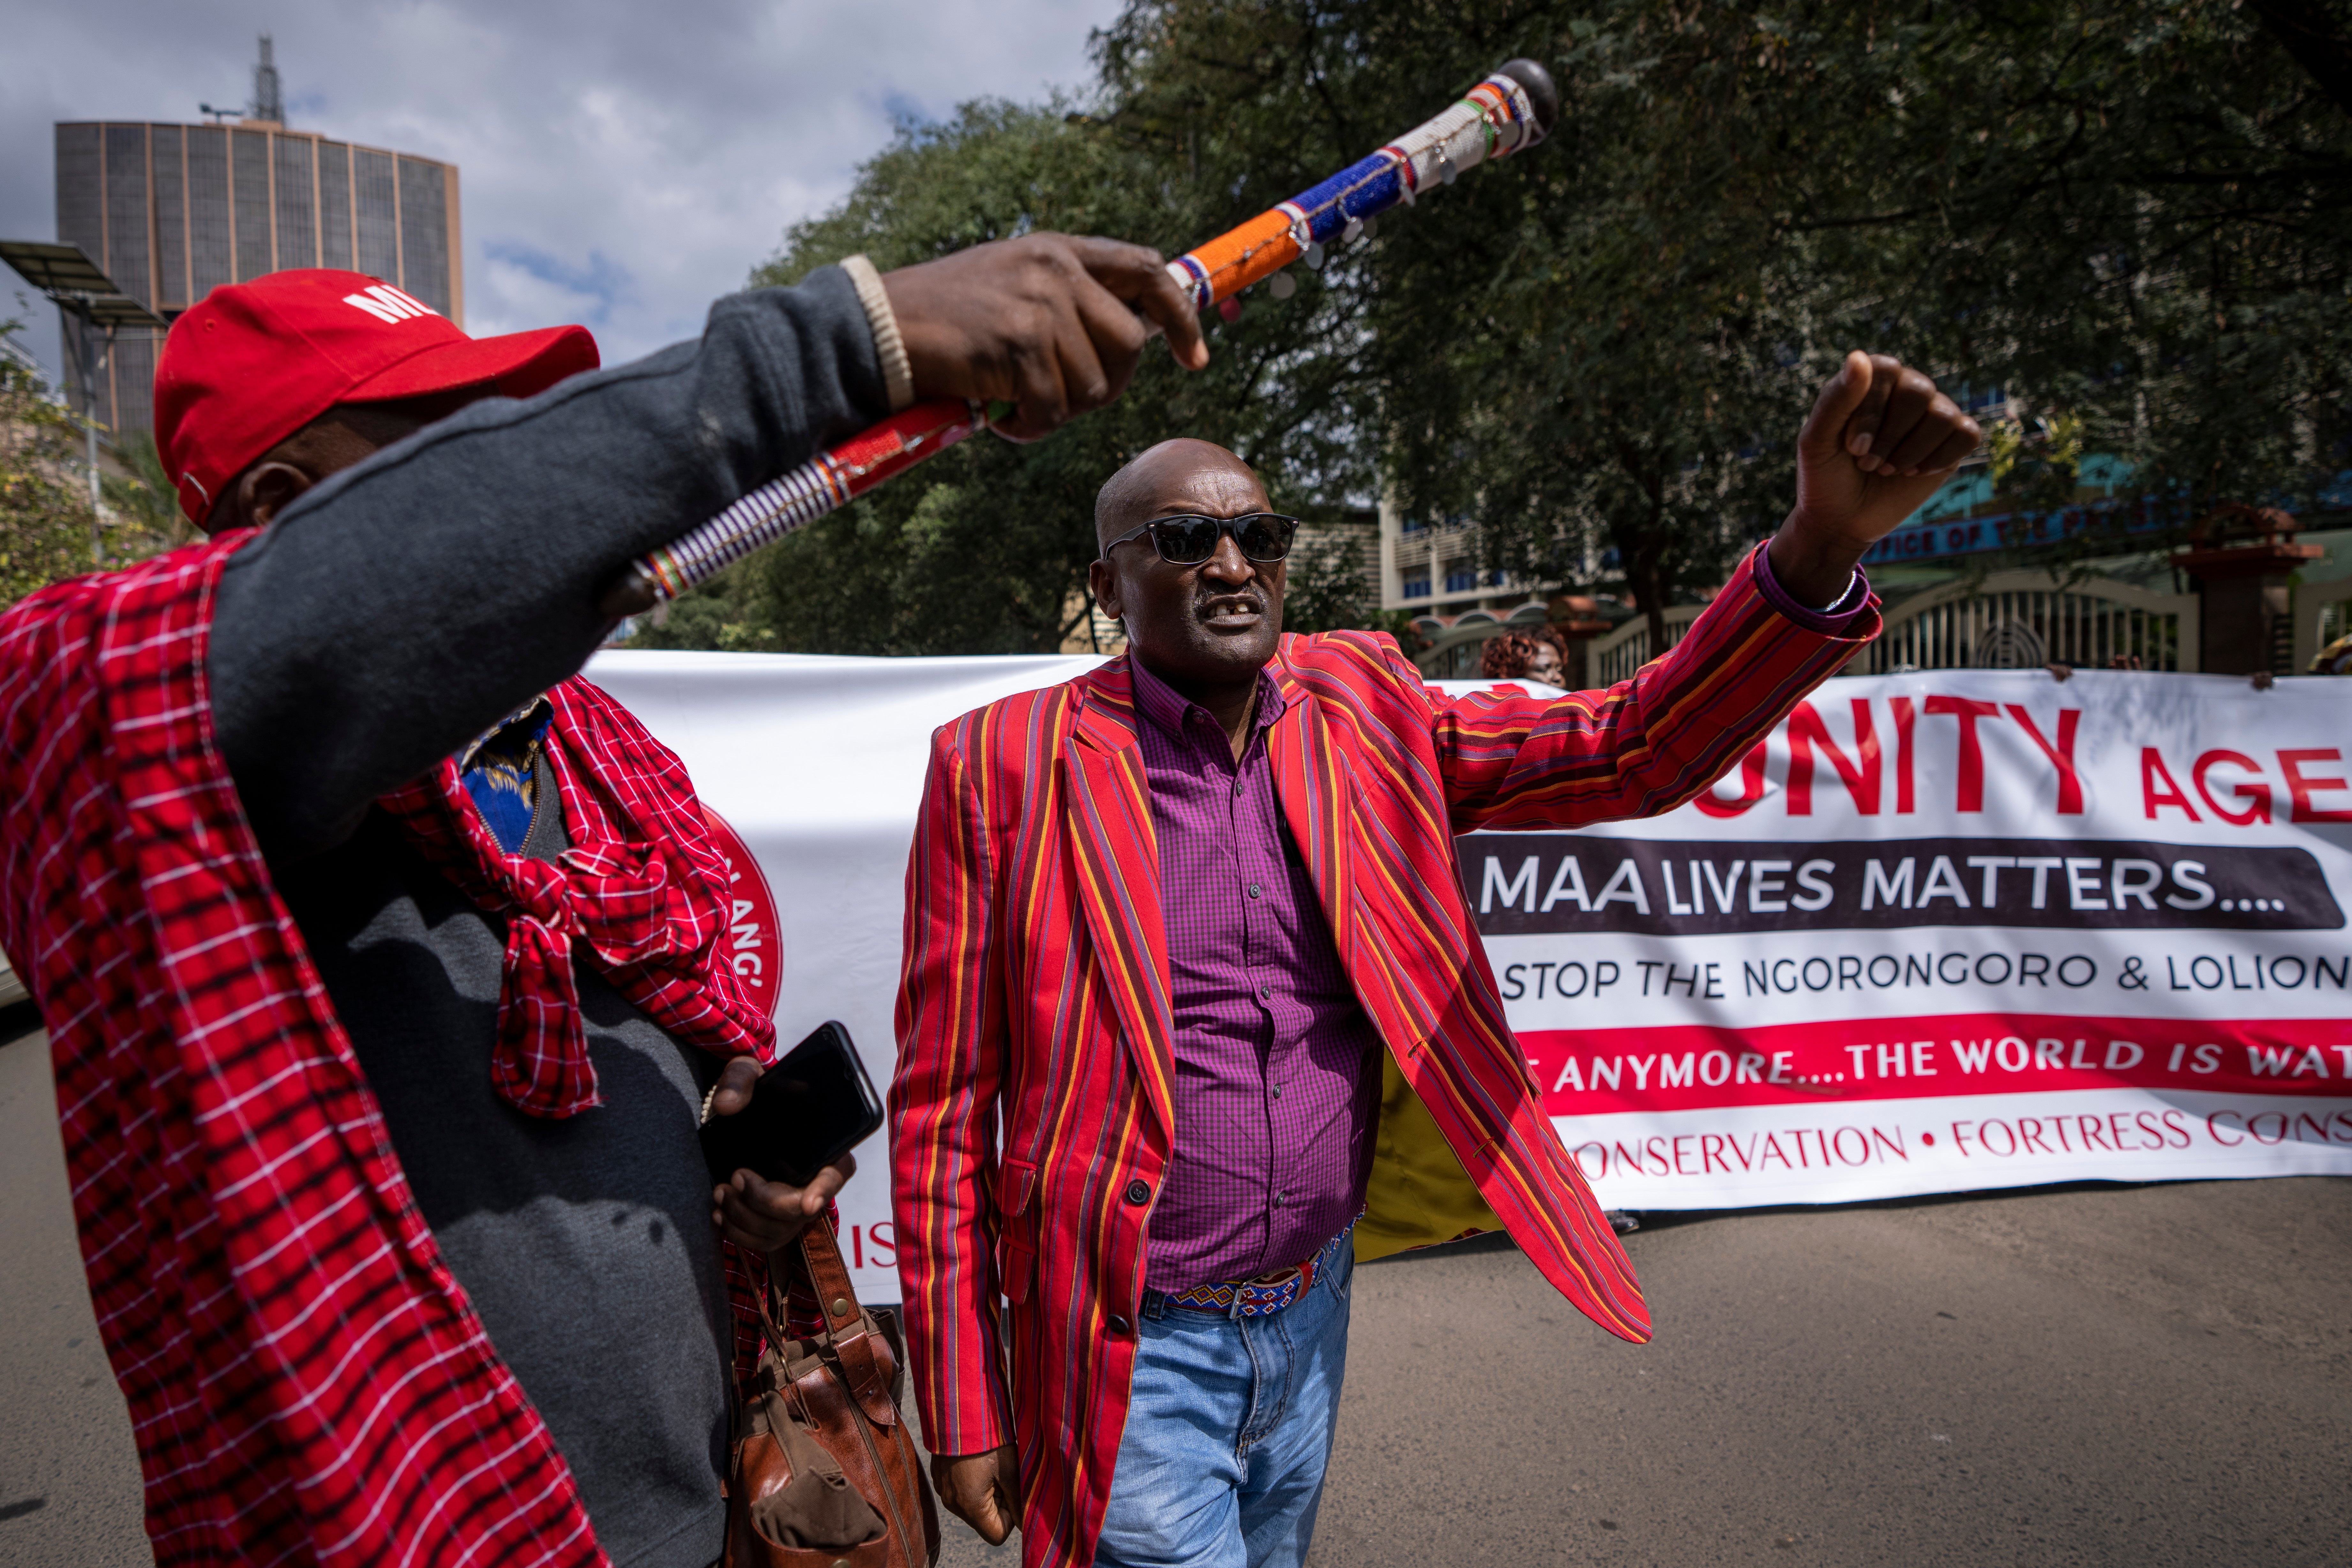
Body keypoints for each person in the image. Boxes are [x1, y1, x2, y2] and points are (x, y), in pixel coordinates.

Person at [0, 238, 1206, 1566]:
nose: (546, 500)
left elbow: (660, 1066)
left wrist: (741, 1158)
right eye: (455, 459)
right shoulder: (178, 739)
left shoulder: (590, 755)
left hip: (705, 1497)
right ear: (275, 519)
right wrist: (852, 340)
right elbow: (330, 619)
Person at [891, 351, 1981, 1568]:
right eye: (1187, 537)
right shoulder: (1000, 765)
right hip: (1128, 1340)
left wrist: (1818, 543)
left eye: (1261, 532)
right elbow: (944, 1111)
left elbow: (1636, 748)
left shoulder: (1368, 705)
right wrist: (961, 1400)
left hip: (1310, 1309)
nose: (1235, 564)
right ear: (1110, 580)